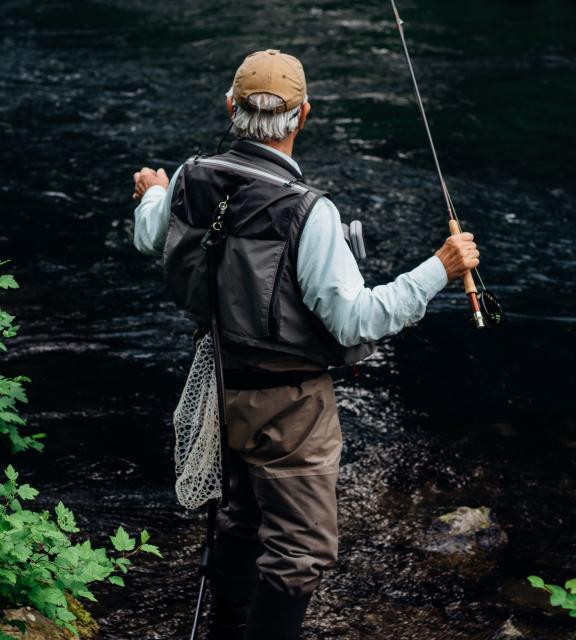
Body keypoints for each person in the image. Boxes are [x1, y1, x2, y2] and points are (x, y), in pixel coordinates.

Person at [131, 49, 479, 640]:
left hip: (219, 386)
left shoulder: (189, 177)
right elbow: (354, 322)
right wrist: (439, 270)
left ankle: (225, 629)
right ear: (303, 115)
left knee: (240, 521)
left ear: (230, 108)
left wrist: (151, 192)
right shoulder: (308, 212)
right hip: (291, 407)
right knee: (300, 552)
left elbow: (150, 237)